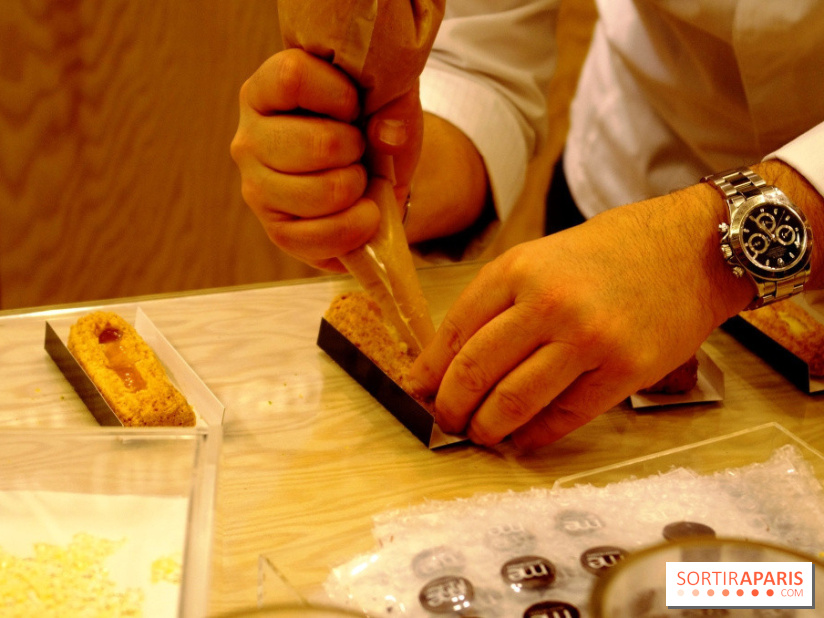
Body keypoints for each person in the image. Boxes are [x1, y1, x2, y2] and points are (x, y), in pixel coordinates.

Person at [231, 1, 824, 451]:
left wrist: (700, 254)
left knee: (781, 577)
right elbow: (483, 57)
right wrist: (379, 181)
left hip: (685, 253)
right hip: (620, 219)